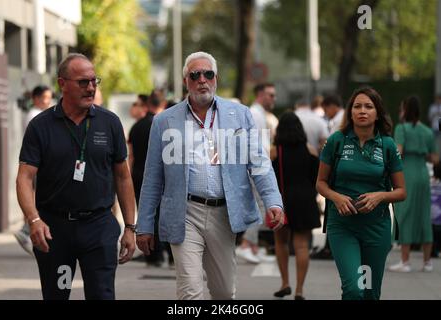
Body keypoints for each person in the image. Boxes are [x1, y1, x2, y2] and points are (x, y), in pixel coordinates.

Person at [135, 51, 285, 300]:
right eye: (195, 75)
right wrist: (144, 225)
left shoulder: (241, 114)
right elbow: (152, 178)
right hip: (184, 212)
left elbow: (259, 164)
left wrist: (273, 201)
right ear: (186, 81)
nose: (202, 79)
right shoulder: (164, 121)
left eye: (208, 74)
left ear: (216, 78)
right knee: (190, 290)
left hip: (224, 214)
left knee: (224, 292)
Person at [16, 53, 136, 300]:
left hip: (99, 227)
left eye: (94, 81)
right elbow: (24, 178)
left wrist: (130, 227)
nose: (91, 87)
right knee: (57, 295)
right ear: (62, 83)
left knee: (102, 295)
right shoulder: (41, 126)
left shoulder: (109, 123)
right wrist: (34, 220)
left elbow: (123, 177)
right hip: (55, 229)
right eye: (83, 82)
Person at [316, 86, 406, 300]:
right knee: (354, 290)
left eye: (368, 106)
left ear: (378, 113)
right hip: (343, 226)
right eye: (357, 106)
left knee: (370, 293)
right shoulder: (336, 141)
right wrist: (336, 197)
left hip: (376, 228)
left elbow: (401, 191)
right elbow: (320, 183)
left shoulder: (387, 145)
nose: (362, 111)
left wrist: (380, 196)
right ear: (350, 112)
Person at [272, 111, 321, 300]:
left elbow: (269, 179)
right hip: (305, 200)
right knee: (301, 247)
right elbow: (317, 178)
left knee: (280, 242)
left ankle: (285, 283)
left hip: (281, 200)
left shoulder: (275, 151)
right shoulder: (310, 150)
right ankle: (300, 290)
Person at [389, 95, 439, 273]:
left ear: (405, 110)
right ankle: (427, 262)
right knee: (424, 214)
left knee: (405, 213)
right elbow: (435, 158)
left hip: (407, 173)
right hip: (423, 173)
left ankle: (405, 261)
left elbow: (398, 151)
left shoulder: (401, 129)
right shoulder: (426, 131)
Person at [128, 89, 172, 267]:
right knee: (166, 214)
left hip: (140, 175)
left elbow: (130, 155)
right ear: (163, 105)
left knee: (147, 213)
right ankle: (171, 254)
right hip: (165, 176)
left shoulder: (137, 126)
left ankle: (153, 255)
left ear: (148, 105)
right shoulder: (167, 125)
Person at [236, 83, 278, 264]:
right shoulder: (255, 113)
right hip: (256, 167)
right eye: (270, 95)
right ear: (260, 94)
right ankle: (246, 244)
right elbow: (254, 145)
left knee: (258, 206)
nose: (273, 99)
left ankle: (251, 246)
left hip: (257, 166)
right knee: (260, 207)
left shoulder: (259, 114)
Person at [14, 85, 53, 256]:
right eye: (45, 97)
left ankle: (27, 231)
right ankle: (25, 230)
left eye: (49, 97)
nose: (48, 101)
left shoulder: (35, 114)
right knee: (37, 198)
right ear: (36, 98)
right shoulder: (36, 116)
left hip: (37, 162)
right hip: (38, 164)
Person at [311, 94, 345, 260]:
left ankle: (331, 246)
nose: (326, 113)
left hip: (336, 168)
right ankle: (329, 245)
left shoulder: (340, 120)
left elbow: (332, 145)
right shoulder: (338, 119)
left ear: (332, 106)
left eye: (326, 109)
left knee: (333, 209)